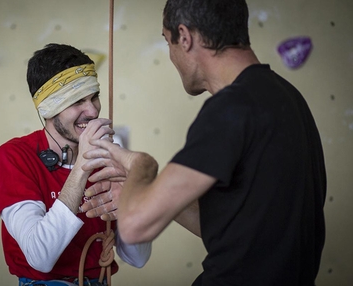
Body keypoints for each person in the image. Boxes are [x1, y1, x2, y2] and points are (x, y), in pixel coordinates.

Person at [80, 0, 326, 285]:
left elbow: (134, 227)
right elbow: (229, 231)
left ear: (184, 37)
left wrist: (140, 164)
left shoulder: (231, 107)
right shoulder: (288, 97)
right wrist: (147, 191)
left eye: (167, 42)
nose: (171, 56)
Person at [0, 43, 151, 286]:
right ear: (48, 107)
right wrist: (83, 165)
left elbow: (138, 258)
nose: (92, 110)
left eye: (94, 97)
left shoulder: (107, 159)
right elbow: (40, 256)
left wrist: (132, 197)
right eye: (77, 101)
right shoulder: (14, 156)